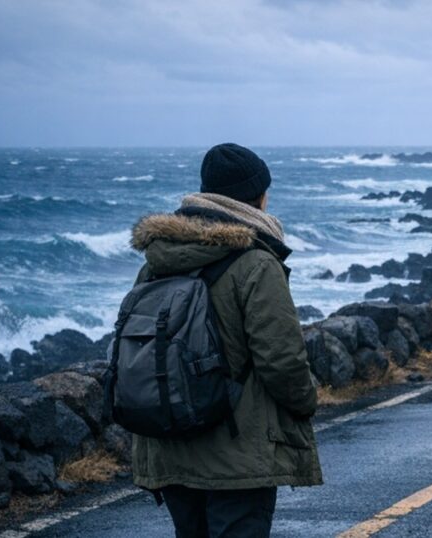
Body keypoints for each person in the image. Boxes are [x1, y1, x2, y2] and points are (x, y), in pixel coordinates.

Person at [128, 143, 321, 537]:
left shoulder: (157, 263)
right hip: (237, 453)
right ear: (259, 198)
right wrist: (306, 402)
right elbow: (281, 359)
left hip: (169, 443)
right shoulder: (256, 263)